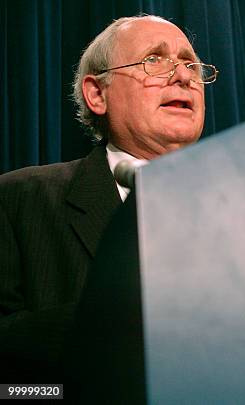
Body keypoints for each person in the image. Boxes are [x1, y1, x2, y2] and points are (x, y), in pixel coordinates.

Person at [0, 15, 216, 383]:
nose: (183, 76)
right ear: (98, 94)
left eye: (191, 64)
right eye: (154, 60)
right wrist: (125, 318)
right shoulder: (18, 197)